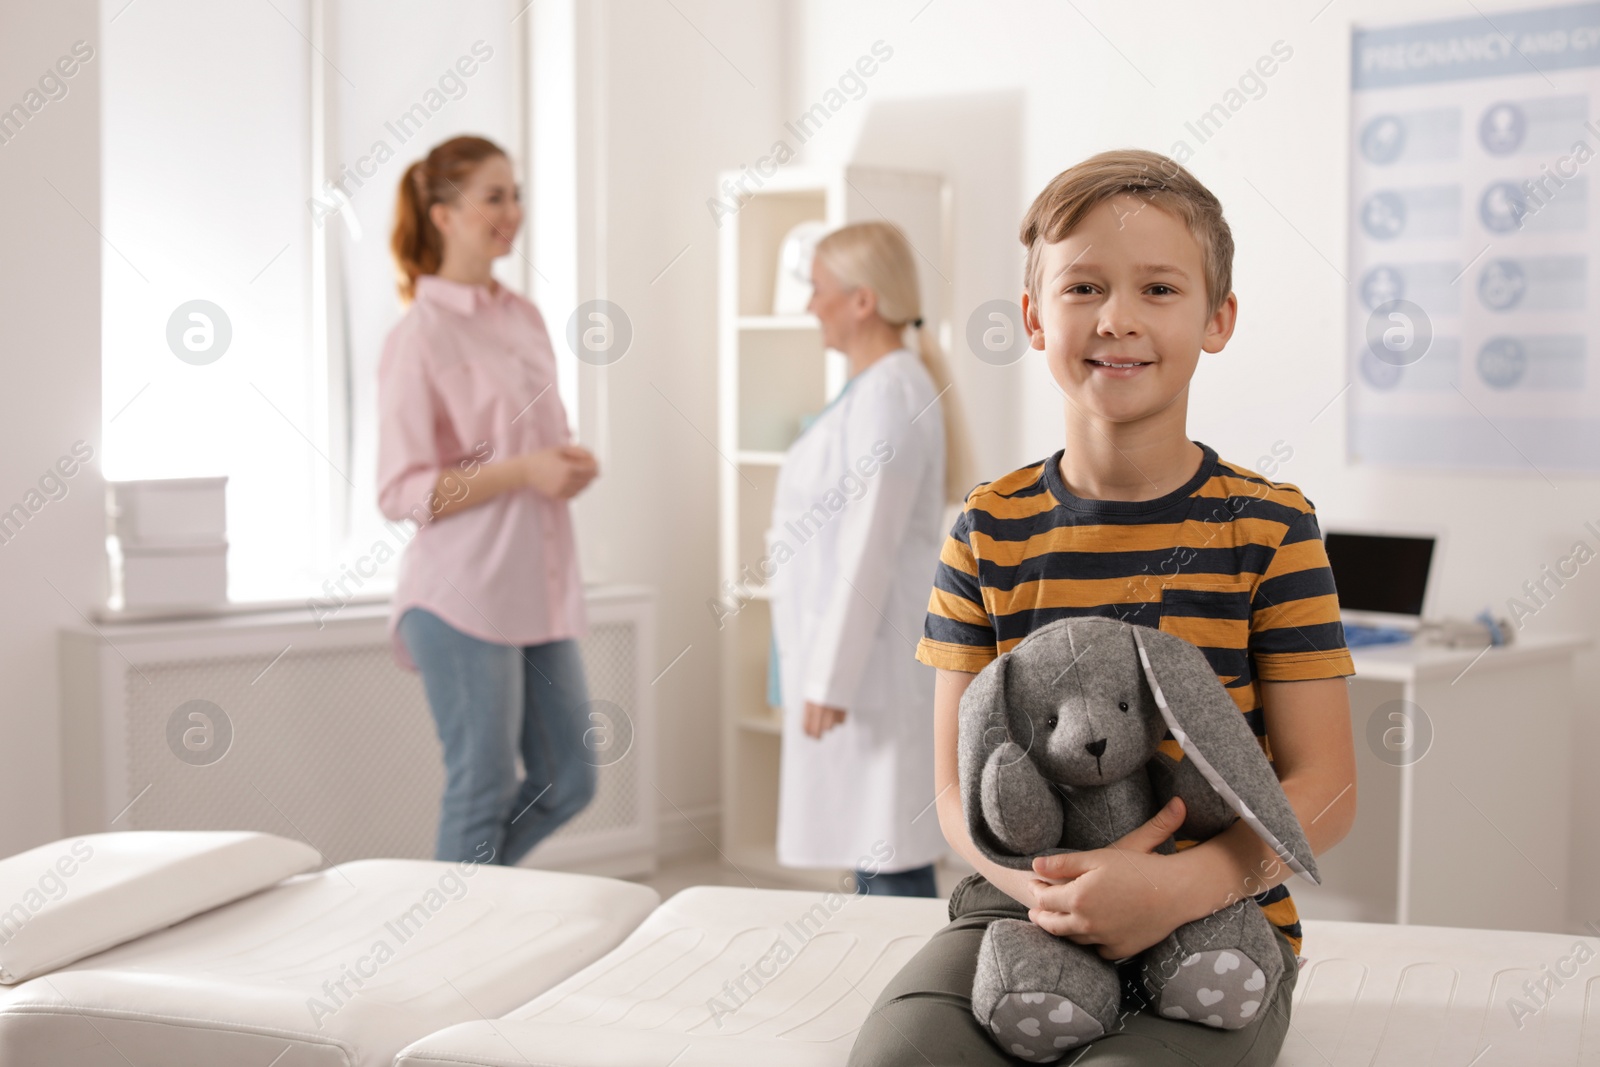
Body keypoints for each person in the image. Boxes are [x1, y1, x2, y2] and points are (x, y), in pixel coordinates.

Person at [850, 150, 1358, 1064]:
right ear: (1036, 319)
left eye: (1159, 289)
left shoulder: (1274, 528)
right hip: (1020, 911)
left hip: (1218, 920)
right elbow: (953, 788)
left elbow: (1327, 785)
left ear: (1217, 318)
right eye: (1084, 287)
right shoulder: (986, 528)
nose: (1117, 318)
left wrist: (1181, 886)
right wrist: (1045, 891)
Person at [377, 135, 600, 866]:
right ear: (442, 214)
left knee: (570, 778)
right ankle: (457, 945)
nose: (512, 212)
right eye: (493, 197)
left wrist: (560, 463)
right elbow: (401, 489)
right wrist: (523, 470)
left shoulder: (524, 316)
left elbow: (537, 442)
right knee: (479, 788)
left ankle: (458, 905)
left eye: (516, 194)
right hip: (460, 594)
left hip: (534, 589)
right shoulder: (419, 335)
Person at [766, 221, 972, 898]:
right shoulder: (877, 387)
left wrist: (831, 677)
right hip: (862, 657)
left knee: (888, 849)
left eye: (818, 289)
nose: (808, 305)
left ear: (861, 300)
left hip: (871, 664)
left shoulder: (890, 391)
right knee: (874, 846)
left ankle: (910, 993)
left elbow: (869, 543)